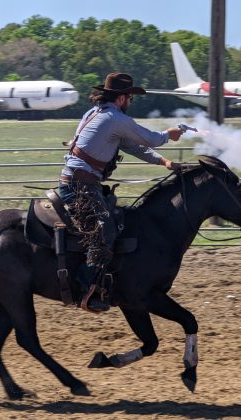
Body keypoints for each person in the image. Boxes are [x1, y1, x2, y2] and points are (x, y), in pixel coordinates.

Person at [59, 72, 183, 313]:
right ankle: (85, 287)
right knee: (104, 230)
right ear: (122, 98)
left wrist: (164, 163)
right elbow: (151, 139)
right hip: (81, 185)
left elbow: (132, 146)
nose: (130, 103)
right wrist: (169, 135)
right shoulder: (116, 119)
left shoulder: (95, 114)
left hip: (79, 181)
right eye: (130, 98)